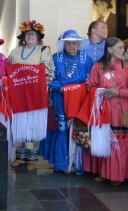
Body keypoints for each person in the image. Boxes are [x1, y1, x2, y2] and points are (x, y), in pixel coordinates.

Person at [83, 37, 128, 187]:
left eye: (123, 48)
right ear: (109, 49)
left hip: (122, 109)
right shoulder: (98, 66)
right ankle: (104, 172)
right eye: (119, 48)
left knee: (119, 142)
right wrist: (100, 91)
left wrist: (117, 92)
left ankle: (118, 174)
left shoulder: (127, 66)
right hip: (103, 109)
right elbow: (89, 86)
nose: (123, 50)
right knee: (104, 141)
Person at [39, 30, 93, 174]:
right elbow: (49, 79)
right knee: (61, 130)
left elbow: (91, 80)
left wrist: (77, 89)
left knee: (78, 130)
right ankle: (61, 164)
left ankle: (78, 165)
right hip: (60, 99)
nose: (71, 46)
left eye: (74, 43)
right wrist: (62, 88)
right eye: (68, 43)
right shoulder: (55, 58)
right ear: (63, 44)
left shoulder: (86, 59)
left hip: (80, 100)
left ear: (78, 44)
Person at [8, 20, 54, 171]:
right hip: (19, 94)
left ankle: (32, 158)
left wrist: (27, 73)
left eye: (33, 34)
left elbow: (46, 70)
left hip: (35, 94)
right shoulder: (15, 51)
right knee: (19, 124)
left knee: (32, 125)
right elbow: (8, 69)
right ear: (23, 36)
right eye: (27, 34)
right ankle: (19, 156)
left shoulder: (43, 50)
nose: (30, 36)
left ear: (38, 36)